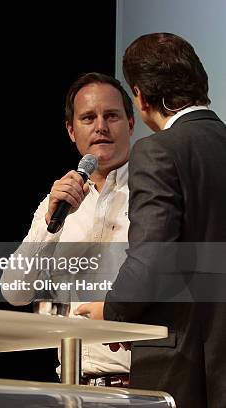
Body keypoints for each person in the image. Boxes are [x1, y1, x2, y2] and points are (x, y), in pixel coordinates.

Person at [87, 33, 226, 407]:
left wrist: (113, 311)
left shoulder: (157, 150)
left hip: (186, 369)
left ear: (141, 97)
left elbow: (153, 258)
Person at [1, 72, 135, 386]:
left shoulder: (156, 194)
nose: (100, 126)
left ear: (131, 124)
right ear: (71, 131)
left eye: (111, 116)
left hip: (140, 384)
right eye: (88, 117)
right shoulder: (58, 200)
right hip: (72, 385)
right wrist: (50, 225)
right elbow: (15, 292)